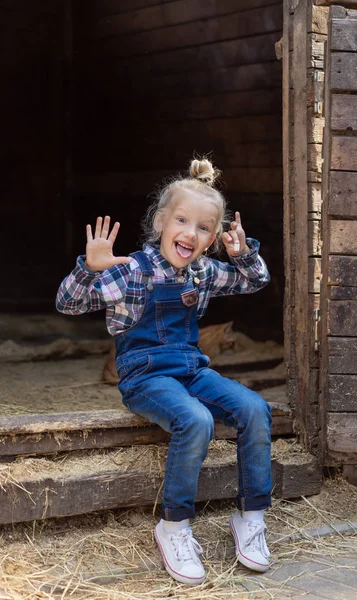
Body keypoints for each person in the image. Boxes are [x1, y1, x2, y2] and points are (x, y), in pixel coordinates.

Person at [56, 158, 272, 586]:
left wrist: (244, 256)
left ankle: (251, 517)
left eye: (204, 228)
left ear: (212, 238)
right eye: (181, 220)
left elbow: (255, 281)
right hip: (145, 376)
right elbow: (69, 303)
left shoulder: (204, 271)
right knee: (195, 419)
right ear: (160, 222)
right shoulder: (134, 270)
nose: (191, 233)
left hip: (191, 370)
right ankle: (174, 526)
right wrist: (89, 267)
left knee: (255, 408)